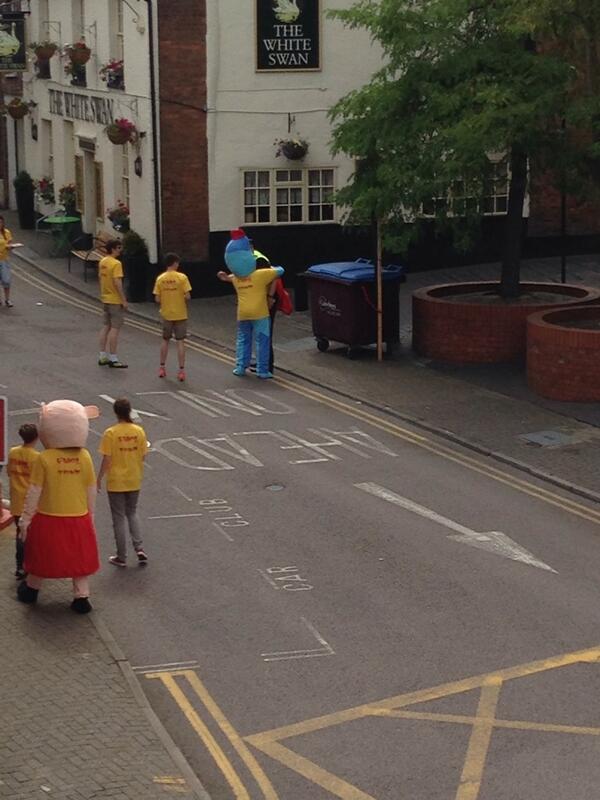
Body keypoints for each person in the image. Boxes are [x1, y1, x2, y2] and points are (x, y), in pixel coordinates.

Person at [17, 400, 100, 614]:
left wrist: (26, 519)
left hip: (48, 516)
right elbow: (91, 489)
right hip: (78, 516)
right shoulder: (85, 457)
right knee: (79, 558)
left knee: (43, 556)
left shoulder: (45, 458)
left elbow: (34, 491)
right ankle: (81, 597)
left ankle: (32, 589)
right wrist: (90, 515)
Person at [217, 229, 284, 379]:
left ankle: (240, 367)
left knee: (243, 339)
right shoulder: (259, 275)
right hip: (260, 312)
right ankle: (262, 370)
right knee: (262, 340)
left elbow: (229, 278)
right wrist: (273, 271)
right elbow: (280, 271)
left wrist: (224, 276)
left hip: (242, 313)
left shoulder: (236, 278)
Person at [97, 397, 149, 568]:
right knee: (132, 513)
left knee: (118, 518)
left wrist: (99, 478)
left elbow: (107, 459)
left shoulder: (111, 433)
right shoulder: (139, 431)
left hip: (116, 481)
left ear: (116, 412)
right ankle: (139, 547)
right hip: (134, 478)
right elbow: (143, 455)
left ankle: (122, 556)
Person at [7, 423, 39, 580]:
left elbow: (8, 472)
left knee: (20, 534)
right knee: (31, 537)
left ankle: (19, 566)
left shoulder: (13, 452)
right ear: (36, 437)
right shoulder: (36, 457)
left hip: (16, 500)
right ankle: (31, 565)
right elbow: (38, 482)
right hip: (30, 503)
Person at [152, 253, 192, 381]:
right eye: (178, 263)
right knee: (180, 342)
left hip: (166, 314)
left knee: (165, 340)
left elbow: (157, 298)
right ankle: (181, 371)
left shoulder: (160, 278)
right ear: (174, 263)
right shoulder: (182, 277)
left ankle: (162, 368)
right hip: (180, 314)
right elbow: (188, 296)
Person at [98, 240, 128, 368]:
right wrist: (123, 300)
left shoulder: (103, 261)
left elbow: (101, 278)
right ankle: (113, 358)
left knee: (106, 327)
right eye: (119, 248)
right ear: (114, 249)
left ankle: (102, 356)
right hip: (115, 300)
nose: (120, 250)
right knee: (115, 328)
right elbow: (117, 282)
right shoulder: (116, 264)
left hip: (105, 298)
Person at [0, 215, 15, 307]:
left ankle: (7, 299)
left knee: (6, 280)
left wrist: (11, 247)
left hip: (4, 260)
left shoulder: (6, 233)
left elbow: (9, 246)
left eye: (1, 222)